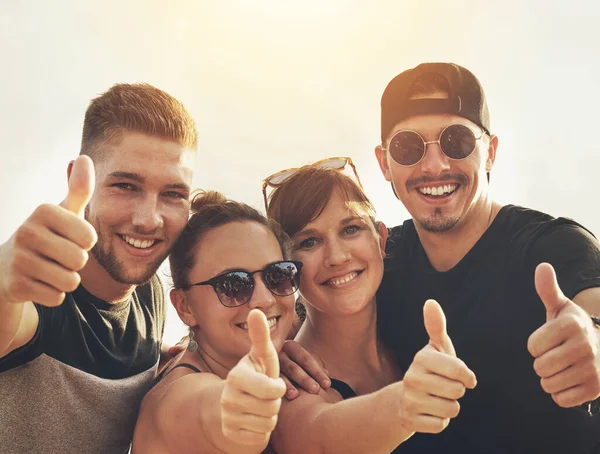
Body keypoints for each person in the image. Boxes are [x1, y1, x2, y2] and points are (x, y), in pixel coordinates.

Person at [372, 62, 600, 453]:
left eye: (456, 141)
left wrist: (593, 340)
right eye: (408, 147)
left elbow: (591, 313)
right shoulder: (378, 264)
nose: (434, 165)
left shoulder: (555, 245)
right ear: (384, 164)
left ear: (490, 152)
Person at [0, 83, 197, 453]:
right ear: (80, 178)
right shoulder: (39, 290)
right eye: (125, 185)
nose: (148, 220)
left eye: (173, 194)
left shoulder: (148, 290)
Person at [263, 162, 477, 453]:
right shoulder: (289, 385)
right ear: (286, 269)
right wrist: (405, 403)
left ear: (381, 237)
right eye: (309, 241)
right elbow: (319, 438)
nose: (337, 257)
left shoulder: (408, 337)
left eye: (350, 229)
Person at [132, 190, 299, 454]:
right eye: (233, 285)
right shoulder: (176, 396)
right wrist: (240, 407)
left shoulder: (290, 357)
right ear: (185, 307)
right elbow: (206, 411)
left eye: (277, 275)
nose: (265, 299)